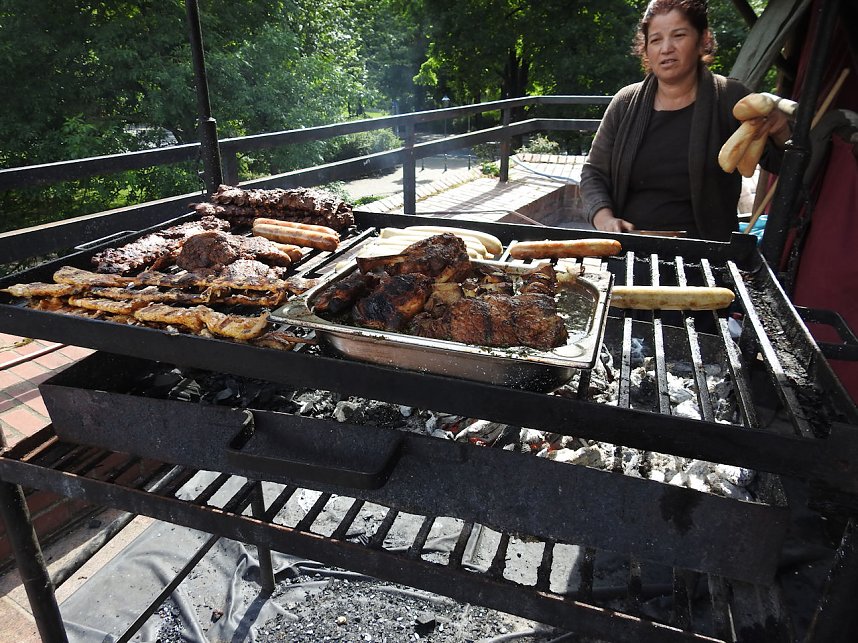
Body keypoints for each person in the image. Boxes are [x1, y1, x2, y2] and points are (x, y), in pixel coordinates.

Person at [580, 0, 791, 240]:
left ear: (703, 41)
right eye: (656, 39)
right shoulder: (625, 103)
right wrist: (604, 218)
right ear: (646, 48)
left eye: (678, 35)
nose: (666, 48)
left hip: (708, 253)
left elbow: (781, 165)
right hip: (631, 248)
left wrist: (781, 130)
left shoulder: (731, 99)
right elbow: (594, 173)